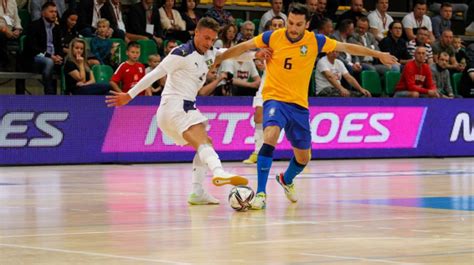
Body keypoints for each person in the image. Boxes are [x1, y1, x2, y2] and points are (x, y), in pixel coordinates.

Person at [217, 3, 397, 210]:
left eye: (298, 24)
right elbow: (244, 46)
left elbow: (346, 47)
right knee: (270, 136)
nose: (293, 28)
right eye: (290, 23)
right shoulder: (272, 37)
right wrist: (218, 58)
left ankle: (286, 179)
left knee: (304, 157)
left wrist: (379, 55)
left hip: (299, 105)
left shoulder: (315, 41)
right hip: (275, 98)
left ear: (307, 24)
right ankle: (261, 193)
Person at [105, 18, 266, 205]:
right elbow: (155, 74)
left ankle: (197, 192)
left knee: (205, 143)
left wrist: (256, 55)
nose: (209, 43)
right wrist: (129, 95)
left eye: (212, 40)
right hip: (177, 107)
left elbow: (230, 54)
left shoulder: (209, 53)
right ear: (196, 33)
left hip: (174, 111)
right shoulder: (181, 53)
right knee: (204, 142)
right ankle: (218, 171)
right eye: (206, 38)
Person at [243, 16, 285, 165]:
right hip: (267, 83)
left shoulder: (290, 44)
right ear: (270, 28)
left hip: (285, 85)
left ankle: (301, 154)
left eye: (280, 25)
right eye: (274, 25)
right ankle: (257, 151)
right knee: (258, 116)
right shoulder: (266, 43)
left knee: (291, 120)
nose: (277, 27)